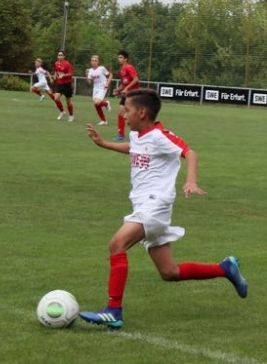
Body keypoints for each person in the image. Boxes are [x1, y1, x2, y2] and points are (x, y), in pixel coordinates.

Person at [80, 88, 247, 329]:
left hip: (155, 204)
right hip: (142, 204)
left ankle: (113, 310)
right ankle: (225, 269)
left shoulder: (160, 136)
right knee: (170, 272)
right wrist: (103, 144)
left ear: (142, 112)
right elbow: (134, 148)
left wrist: (191, 181)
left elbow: (190, 153)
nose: (123, 115)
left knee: (117, 244)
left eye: (127, 110)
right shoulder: (138, 135)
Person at [111, 49, 141, 141]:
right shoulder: (121, 70)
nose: (119, 59)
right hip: (126, 95)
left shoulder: (129, 67)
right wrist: (117, 89)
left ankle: (141, 132)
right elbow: (124, 84)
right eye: (118, 57)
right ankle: (121, 135)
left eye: (121, 57)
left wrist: (127, 88)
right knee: (121, 113)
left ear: (126, 59)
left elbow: (136, 79)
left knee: (133, 115)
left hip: (134, 94)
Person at [86, 55, 112, 124]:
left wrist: (107, 83)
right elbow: (89, 82)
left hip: (102, 87)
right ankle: (103, 120)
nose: (94, 62)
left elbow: (110, 75)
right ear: (91, 62)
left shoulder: (101, 68)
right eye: (93, 61)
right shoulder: (90, 70)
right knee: (96, 104)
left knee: (97, 102)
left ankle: (106, 103)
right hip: (95, 88)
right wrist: (86, 75)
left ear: (98, 62)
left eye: (95, 61)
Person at [52, 50, 76, 122]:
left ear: (64, 56)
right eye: (59, 55)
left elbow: (70, 73)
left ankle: (71, 115)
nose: (60, 56)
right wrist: (55, 76)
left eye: (61, 55)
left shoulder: (67, 64)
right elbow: (56, 71)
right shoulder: (56, 63)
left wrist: (64, 75)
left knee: (68, 101)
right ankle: (62, 111)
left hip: (67, 84)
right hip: (59, 83)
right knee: (56, 98)